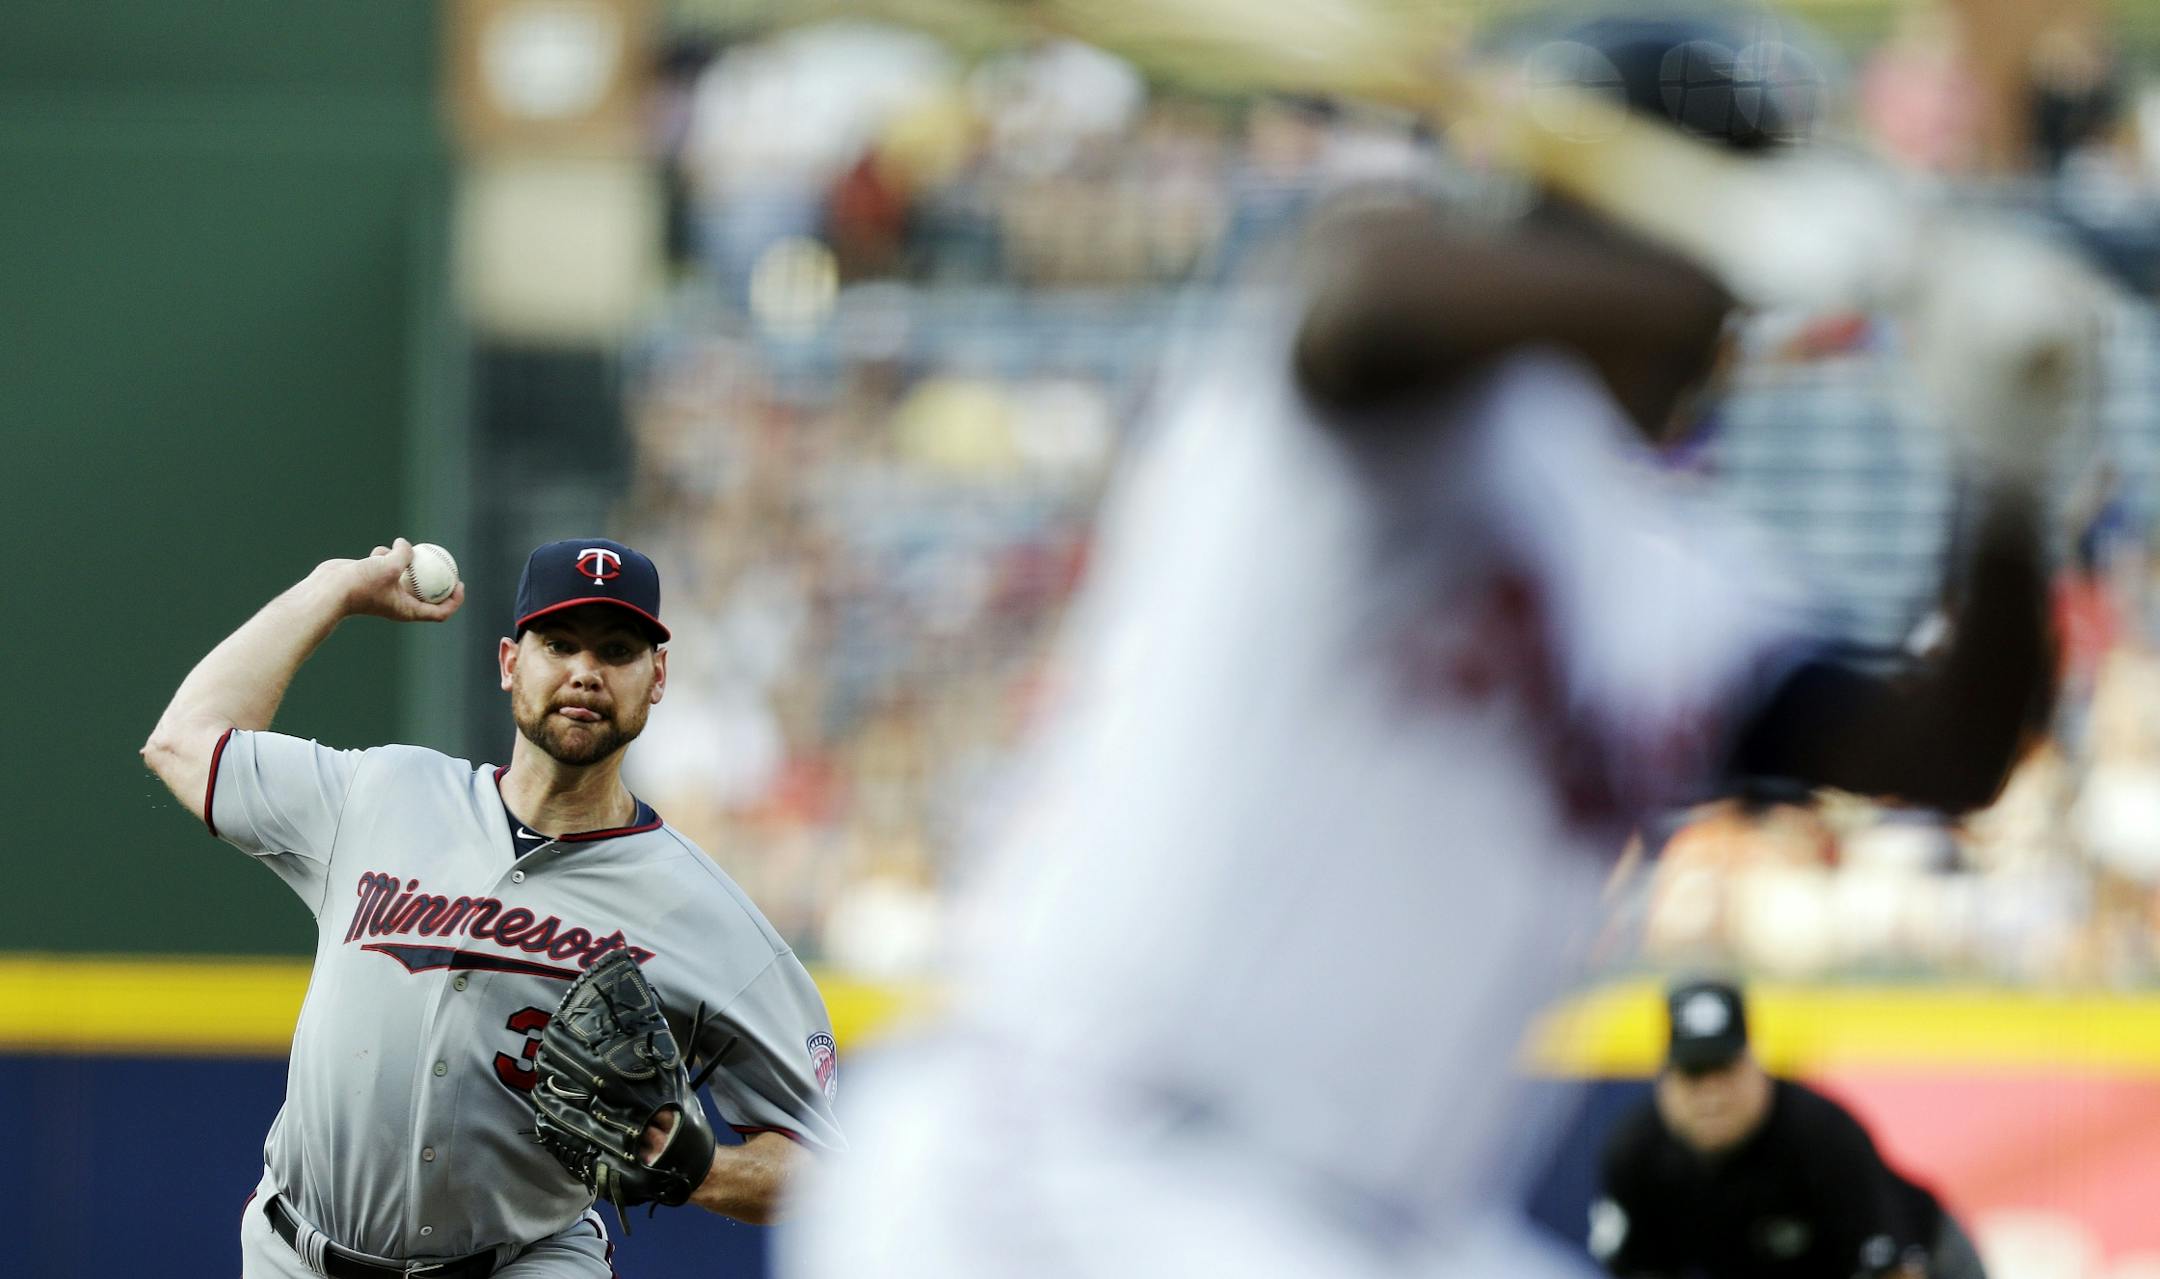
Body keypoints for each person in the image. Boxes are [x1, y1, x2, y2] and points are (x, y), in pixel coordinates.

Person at [778, 11, 2069, 1279]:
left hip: (1353, 1218)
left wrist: (2007, 481)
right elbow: (1361, 298)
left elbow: (1948, 744)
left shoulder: (1671, 577)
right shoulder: (1394, 376)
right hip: (1072, 1161)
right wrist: (1712, 249)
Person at [141, 536, 844, 1279]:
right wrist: (332, 590)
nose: (585, 671)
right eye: (559, 643)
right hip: (296, 1256)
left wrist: (697, 1170)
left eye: (617, 649)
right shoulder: (381, 792)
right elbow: (184, 742)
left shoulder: (704, 911)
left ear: (656, 675)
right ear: (511, 662)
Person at [1592, 980, 1988, 1279]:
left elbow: (1893, 1270)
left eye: (1724, 1070)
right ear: (1665, 1081)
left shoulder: (1819, 1134)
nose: (1711, 1095)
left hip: (1930, 1259)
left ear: (1756, 1066)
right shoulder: (1637, 1153)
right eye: (1694, 1075)